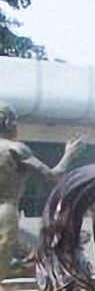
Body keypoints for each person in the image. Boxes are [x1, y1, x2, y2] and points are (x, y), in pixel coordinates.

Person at [0, 105, 84, 281]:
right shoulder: (16, 150)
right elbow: (53, 177)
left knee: (28, 252)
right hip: (5, 211)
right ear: (9, 123)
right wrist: (69, 155)